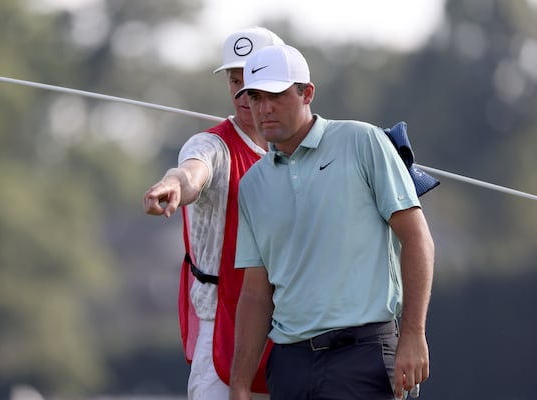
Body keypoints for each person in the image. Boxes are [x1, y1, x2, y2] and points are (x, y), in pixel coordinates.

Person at [229, 44, 435, 400]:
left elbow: (417, 238)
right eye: (256, 97)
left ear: (307, 92)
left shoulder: (362, 141)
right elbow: (255, 292)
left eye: (276, 95)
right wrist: (240, 382)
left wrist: (413, 334)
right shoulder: (252, 185)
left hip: (363, 356)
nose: (264, 108)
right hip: (290, 365)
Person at [142, 27, 285, 400]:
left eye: (252, 79)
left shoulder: (299, 150)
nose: (242, 92)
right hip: (220, 317)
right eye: (234, 80)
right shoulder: (211, 145)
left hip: (289, 318)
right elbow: (192, 172)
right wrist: (174, 184)